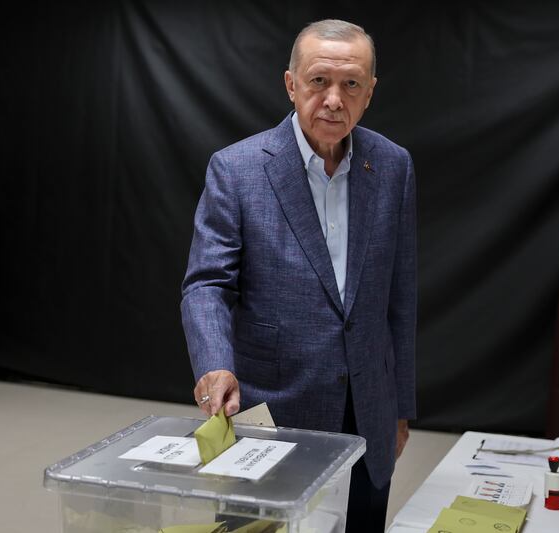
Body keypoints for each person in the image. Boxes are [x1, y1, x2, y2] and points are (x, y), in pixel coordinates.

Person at [181, 19, 416, 532]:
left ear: (370, 92)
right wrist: (214, 365)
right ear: (291, 84)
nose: (334, 99)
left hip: (369, 411)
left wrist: (400, 407)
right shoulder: (237, 168)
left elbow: (399, 297)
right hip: (272, 407)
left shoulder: (393, 166)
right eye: (318, 81)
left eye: (351, 84)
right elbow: (207, 285)